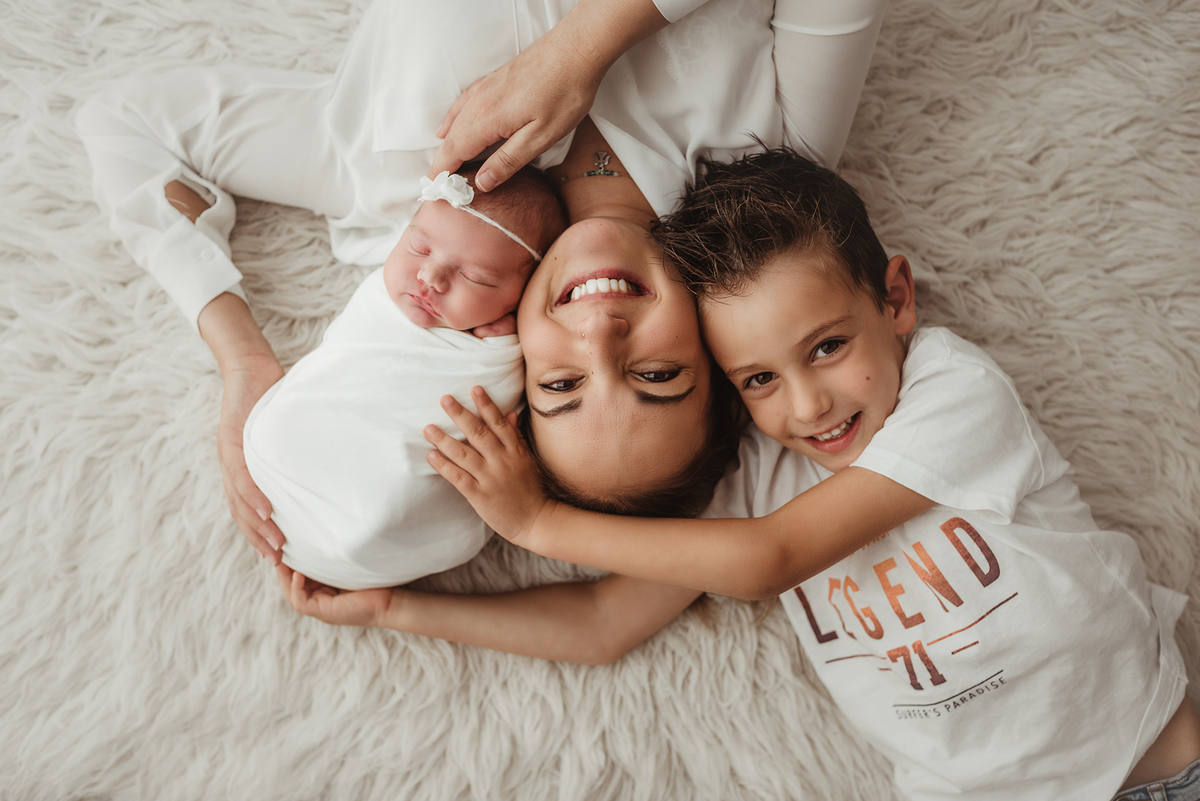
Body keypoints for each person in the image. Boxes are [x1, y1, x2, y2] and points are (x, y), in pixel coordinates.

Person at [417, 148, 1200, 800]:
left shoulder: (950, 391)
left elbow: (770, 562)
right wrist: (393, 610)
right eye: (757, 378)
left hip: (1157, 769)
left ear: (895, 300)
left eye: (827, 347)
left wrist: (535, 523)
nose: (807, 404)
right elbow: (601, 621)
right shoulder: (760, 472)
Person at [76, 0, 888, 562]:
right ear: (715, 348)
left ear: (514, 357)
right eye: (656, 373)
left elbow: (126, 123)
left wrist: (244, 363)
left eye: (562, 383)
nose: (602, 337)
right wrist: (583, 48)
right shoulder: (778, 154)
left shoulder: (394, 193)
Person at [240, 167, 564, 590]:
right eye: (418, 247)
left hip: (380, 508)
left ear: (523, 295)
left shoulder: (502, 351)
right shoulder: (381, 296)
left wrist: (504, 352)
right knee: (276, 431)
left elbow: (495, 402)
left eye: (474, 277)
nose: (430, 278)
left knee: (389, 502)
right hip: (285, 455)